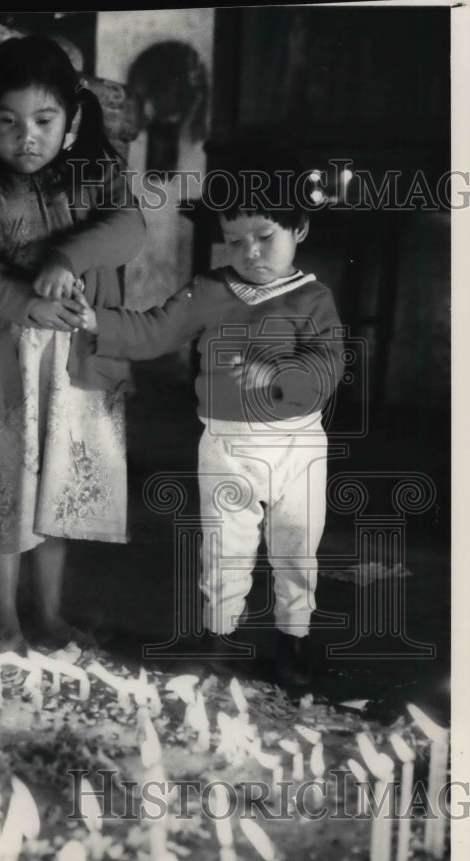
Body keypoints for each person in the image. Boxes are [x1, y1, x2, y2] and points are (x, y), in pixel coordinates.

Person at [71, 149, 345, 686]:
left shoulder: (313, 299)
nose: (251, 252)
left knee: (295, 547)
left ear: (300, 227)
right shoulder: (209, 290)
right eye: (235, 240)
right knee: (223, 547)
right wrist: (93, 319)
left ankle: (294, 642)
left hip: (297, 447)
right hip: (225, 445)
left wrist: (275, 378)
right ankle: (217, 639)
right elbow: (154, 329)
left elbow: (327, 365)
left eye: (265, 236)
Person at [0, 37, 145, 654]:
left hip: (78, 368)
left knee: (60, 494)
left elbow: (129, 230)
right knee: (7, 494)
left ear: (71, 119)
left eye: (44, 121)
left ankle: (47, 616)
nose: (26, 136)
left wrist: (64, 255)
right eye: (8, 122)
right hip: (8, 369)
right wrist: (27, 300)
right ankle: (3, 621)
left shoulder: (99, 174)